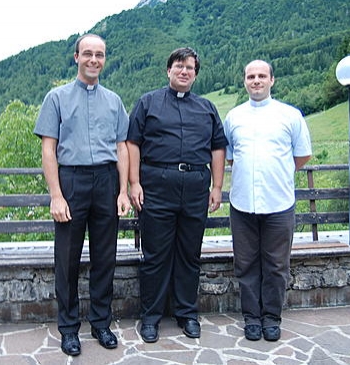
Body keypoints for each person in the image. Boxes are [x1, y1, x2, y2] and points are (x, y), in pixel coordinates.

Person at [33, 33, 131, 356]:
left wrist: (123, 191)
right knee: (67, 259)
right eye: (87, 53)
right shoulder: (56, 98)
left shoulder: (114, 101)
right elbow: (48, 150)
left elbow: (121, 148)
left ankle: (101, 323)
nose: (93, 59)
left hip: (106, 181)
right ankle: (68, 328)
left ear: (104, 59)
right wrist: (56, 195)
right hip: (71, 181)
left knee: (105, 257)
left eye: (99, 54)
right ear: (76, 57)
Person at [127, 47, 227, 343]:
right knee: (155, 255)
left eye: (190, 68)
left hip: (195, 187)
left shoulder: (207, 108)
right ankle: (151, 317)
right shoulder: (147, 103)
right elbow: (132, 143)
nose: (184, 71)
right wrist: (134, 182)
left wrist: (217, 187)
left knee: (189, 254)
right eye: (179, 66)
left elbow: (218, 147)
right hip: (156, 186)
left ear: (195, 74)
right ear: (168, 70)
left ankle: (187, 314)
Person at [223, 60, 312, 342]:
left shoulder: (290, 115)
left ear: (272, 80)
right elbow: (231, 156)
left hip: (279, 203)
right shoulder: (234, 117)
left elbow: (302, 155)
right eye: (251, 76)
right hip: (242, 204)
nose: (256, 80)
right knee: (246, 263)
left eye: (262, 76)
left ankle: (272, 318)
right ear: (244, 81)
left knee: (276, 265)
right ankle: (251, 318)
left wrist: (279, 173)